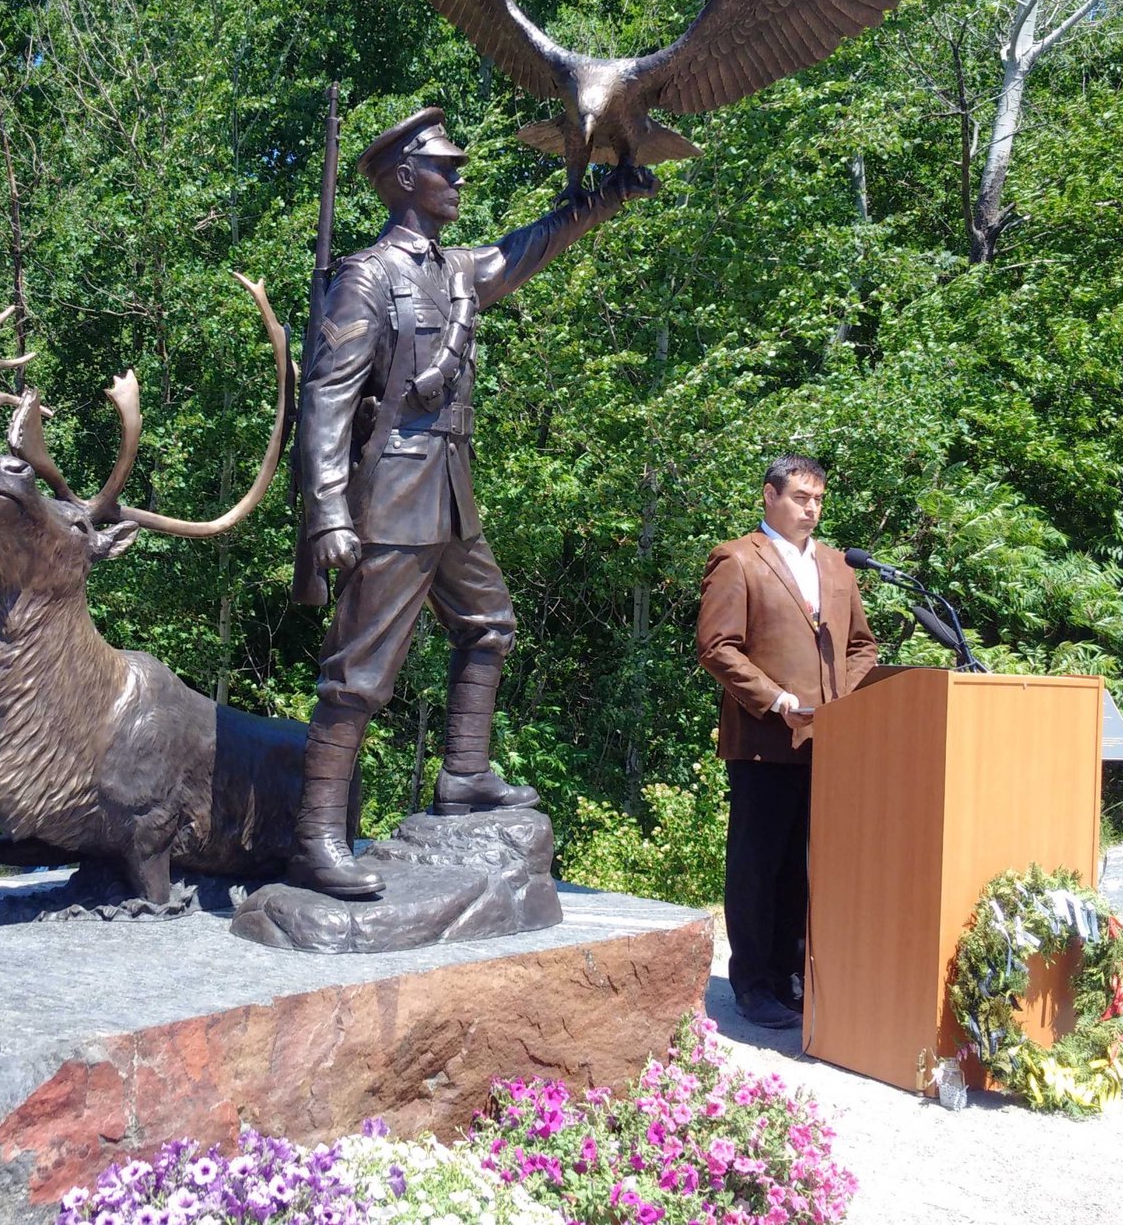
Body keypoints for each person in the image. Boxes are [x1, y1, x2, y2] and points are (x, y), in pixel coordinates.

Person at [290, 105, 656, 896]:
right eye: (442, 167)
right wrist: (327, 511)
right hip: (389, 496)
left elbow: (525, 248)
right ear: (402, 180)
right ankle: (318, 836)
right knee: (358, 674)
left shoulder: (452, 272)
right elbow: (325, 399)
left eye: (455, 166)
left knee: (488, 625)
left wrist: (605, 197)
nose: (457, 177)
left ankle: (463, 775)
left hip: (450, 494)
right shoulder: (368, 277)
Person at [696, 455, 878, 1030]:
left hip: (829, 745)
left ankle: (793, 976)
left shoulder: (838, 567)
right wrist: (777, 699)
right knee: (759, 864)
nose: (812, 509)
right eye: (801, 497)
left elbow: (862, 648)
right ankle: (752, 984)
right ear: (769, 496)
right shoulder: (739, 559)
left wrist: (839, 703)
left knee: (808, 866)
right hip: (764, 740)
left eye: (819, 500)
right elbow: (717, 646)